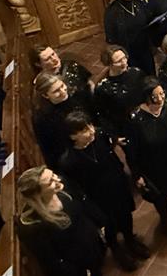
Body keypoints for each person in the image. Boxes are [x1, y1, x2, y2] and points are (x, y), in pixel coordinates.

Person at [57, 111, 150, 270]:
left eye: (90, 126)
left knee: (126, 215)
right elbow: (77, 189)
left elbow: (111, 150)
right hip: (99, 198)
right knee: (110, 227)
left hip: (118, 187)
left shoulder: (99, 137)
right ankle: (116, 249)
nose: (92, 131)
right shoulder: (68, 161)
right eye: (84, 130)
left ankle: (130, 240)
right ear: (73, 137)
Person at [124, 77, 167, 237]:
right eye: (155, 96)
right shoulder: (136, 119)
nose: (161, 99)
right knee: (159, 196)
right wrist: (137, 174)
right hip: (152, 168)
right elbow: (132, 150)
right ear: (146, 98)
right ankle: (165, 218)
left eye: (162, 94)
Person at [16, 166, 106, 276]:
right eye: (50, 182)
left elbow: (83, 204)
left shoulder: (62, 188)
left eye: (53, 175)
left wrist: (99, 224)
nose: (57, 179)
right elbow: (51, 261)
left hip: (91, 247)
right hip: (78, 265)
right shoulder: (32, 226)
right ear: (38, 194)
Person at [32, 72, 91, 168]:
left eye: (62, 86)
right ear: (46, 96)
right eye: (56, 91)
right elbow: (49, 148)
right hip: (74, 156)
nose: (63, 91)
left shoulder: (75, 96)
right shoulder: (43, 118)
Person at [103, 0, 154, 74]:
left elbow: (150, 19)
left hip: (145, 48)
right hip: (128, 52)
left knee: (150, 73)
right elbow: (111, 38)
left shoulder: (139, 1)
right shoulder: (112, 12)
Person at [94, 45, 145, 137]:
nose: (124, 63)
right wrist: (114, 136)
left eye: (124, 58)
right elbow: (104, 115)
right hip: (125, 128)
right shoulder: (102, 88)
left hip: (143, 120)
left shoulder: (136, 73)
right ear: (109, 64)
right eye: (118, 61)